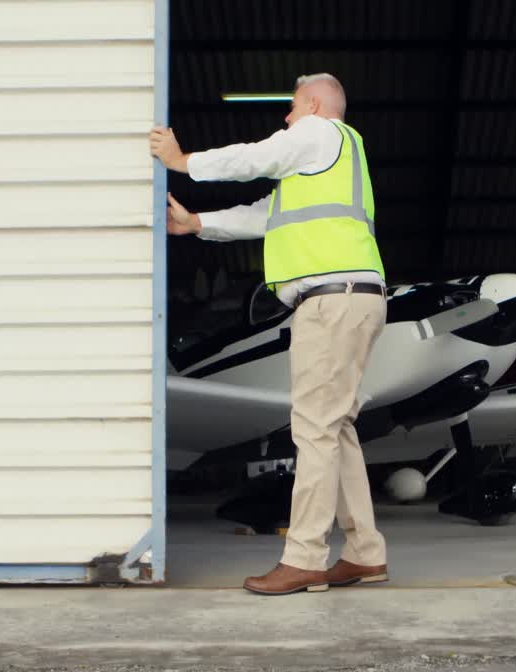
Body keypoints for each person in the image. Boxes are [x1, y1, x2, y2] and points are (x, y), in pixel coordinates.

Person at [149, 73, 389, 595]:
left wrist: (183, 162)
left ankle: (304, 558)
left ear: (315, 103)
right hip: (356, 297)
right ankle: (365, 552)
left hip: (329, 301)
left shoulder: (320, 133)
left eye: (291, 108)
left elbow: (256, 156)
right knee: (337, 427)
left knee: (314, 429)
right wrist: (198, 224)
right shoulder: (334, 164)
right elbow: (267, 216)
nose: (286, 118)